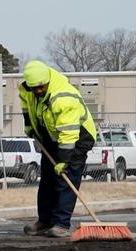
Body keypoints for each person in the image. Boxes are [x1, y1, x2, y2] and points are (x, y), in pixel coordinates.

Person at [18, 60, 99, 237]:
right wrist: (30, 126)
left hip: (77, 138)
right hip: (51, 135)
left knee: (65, 178)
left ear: (47, 80)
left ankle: (61, 223)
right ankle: (45, 221)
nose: (38, 90)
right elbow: (27, 109)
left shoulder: (63, 97)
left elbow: (69, 133)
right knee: (47, 179)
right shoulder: (26, 91)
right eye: (35, 88)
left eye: (42, 86)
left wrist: (64, 160)